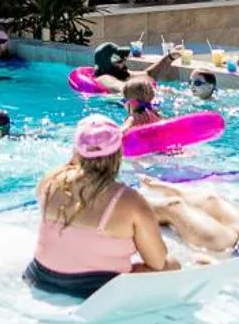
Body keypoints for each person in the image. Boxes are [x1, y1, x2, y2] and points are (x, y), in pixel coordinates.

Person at [24, 118, 177, 298]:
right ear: (119, 153)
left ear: (76, 150)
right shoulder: (129, 201)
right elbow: (157, 262)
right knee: (171, 265)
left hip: (41, 276)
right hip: (94, 288)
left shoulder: (50, 180)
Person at [76, 41, 179, 94]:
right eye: (119, 60)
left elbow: (148, 74)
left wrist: (169, 57)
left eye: (124, 58)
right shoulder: (105, 78)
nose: (124, 62)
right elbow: (124, 89)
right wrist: (159, 91)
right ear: (107, 64)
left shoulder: (120, 72)